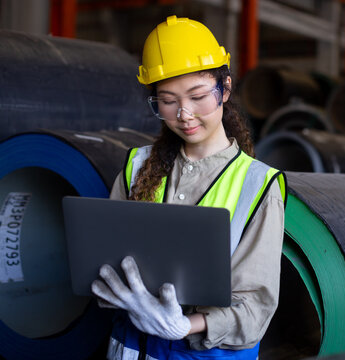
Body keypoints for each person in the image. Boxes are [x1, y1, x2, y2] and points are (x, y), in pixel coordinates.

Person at [91, 15, 287, 360]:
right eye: (167, 101)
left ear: (224, 89)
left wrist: (186, 325)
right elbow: (105, 264)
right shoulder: (136, 166)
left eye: (198, 96)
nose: (184, 114)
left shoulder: (258, 186)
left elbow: (255, 307)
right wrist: (117, 293)